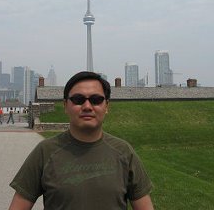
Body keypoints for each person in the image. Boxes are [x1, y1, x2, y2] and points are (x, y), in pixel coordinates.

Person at [9, 71, 154, 210]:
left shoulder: (124, 152)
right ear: (66, 106)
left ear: (106, 106)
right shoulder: (45, 152)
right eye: (78, 100)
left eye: (96, 100)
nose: (87, 106)